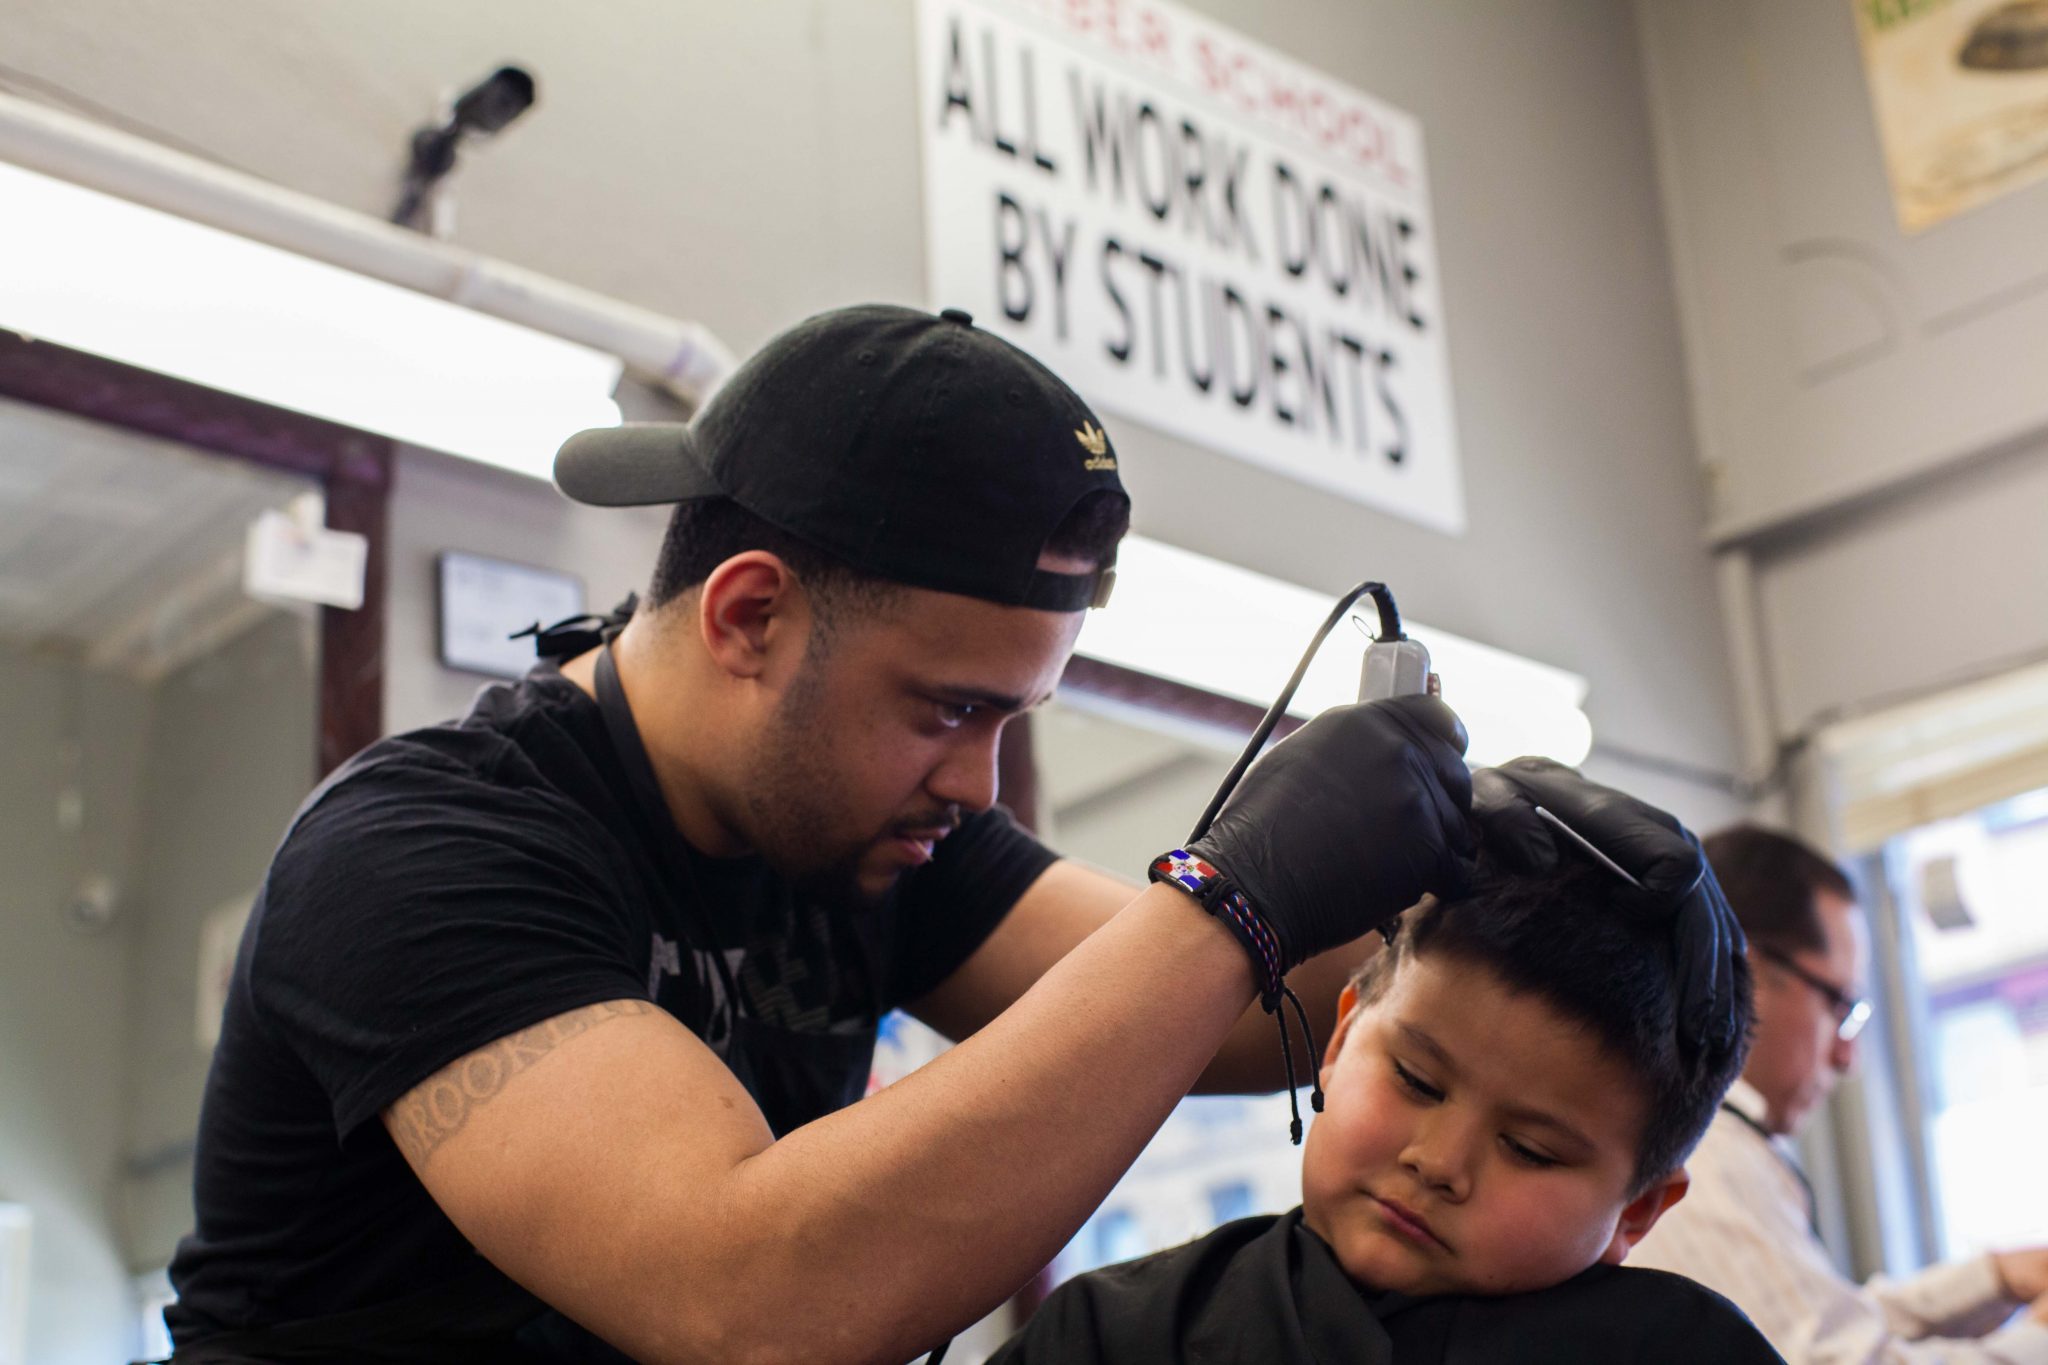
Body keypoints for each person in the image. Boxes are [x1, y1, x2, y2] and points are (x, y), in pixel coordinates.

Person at [158, 304, 1711, 1364]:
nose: (977, 783)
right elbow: (745, 1301)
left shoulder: (862, 832)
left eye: (1009, 720)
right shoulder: (429, 852)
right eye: (949, 709)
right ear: (751, 613)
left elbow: (1247, 1020)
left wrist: (1482, 886)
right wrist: (1237, 886)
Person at [991, 833, 1779, 1363]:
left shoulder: (1679, 1351)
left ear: (1638, 1209)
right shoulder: (1114, 1336)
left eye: (1530, 1148)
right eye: (1416, 1081)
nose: (1438, 1163)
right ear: (1339, 1043)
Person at [1629, 824, 2048, 1362]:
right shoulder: (1703, 1154)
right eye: (1839, 1005)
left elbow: (1812, 1317)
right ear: (1746, 970)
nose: (1846, 1056)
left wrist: (1995, 1278)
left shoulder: (1718, 1142)